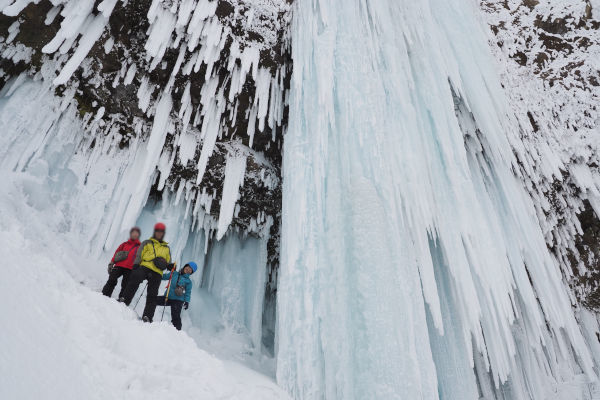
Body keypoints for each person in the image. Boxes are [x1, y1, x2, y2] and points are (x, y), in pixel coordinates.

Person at [120, 222, 172, 322]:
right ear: (155, 232)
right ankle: (125, 300)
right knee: (134, 279)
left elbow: (168, 261)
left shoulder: (166, 248)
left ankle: (148, 316)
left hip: (157, 271)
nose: (159, 233)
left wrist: (170, 265)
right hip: (145, 266)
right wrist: (136, 264)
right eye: (157, 231)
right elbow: (139, 254)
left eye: (161, 232)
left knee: (153, 293)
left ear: (163, 233)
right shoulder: (147, 242)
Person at [102, 227, 141, 299]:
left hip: (130, 268)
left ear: (138, 235)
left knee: (125, 285)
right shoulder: (124, 244)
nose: (135, 234)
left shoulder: (140, 247)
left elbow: (141, 259)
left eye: (136, 233)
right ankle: (105, 295)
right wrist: (112, 262)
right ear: (131, 234)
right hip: (119, 265)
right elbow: (117, 253)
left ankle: (121, 301)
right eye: (133, 233)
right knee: (112, 279)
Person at [157, 262, 197, 331]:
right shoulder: (174, 273)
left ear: (191, 273)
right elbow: (164, 277)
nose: (188, 270)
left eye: (191, 270)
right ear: (185, 266)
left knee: (175, 316)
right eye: (188, 267)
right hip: (167, 297)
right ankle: (148, 316)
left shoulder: (188, 282)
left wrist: (187, 302)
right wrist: (156, 275)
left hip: (178, 300)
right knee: (152, 300)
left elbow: (188, 293)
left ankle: (177, 333)